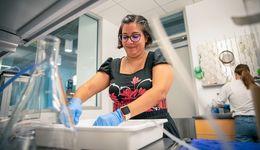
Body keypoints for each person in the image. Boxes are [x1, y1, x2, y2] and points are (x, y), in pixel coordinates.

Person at [60, 14, 180, 138]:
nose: (129, 41)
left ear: (146, 38)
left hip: (157, 128)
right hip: (125, 130)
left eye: (135, 36)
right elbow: (89, 87)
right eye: (125, 37)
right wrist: (75, 101)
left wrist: (120, 115)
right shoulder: (112, 65)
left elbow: (159, 92)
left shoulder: (157, 58)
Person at [211, 64, 259, 142]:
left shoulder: (229, 86)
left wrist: (211, 104)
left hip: (242, 122)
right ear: (249, 73)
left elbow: (218, 103)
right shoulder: (256, 85)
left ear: (236, 75)